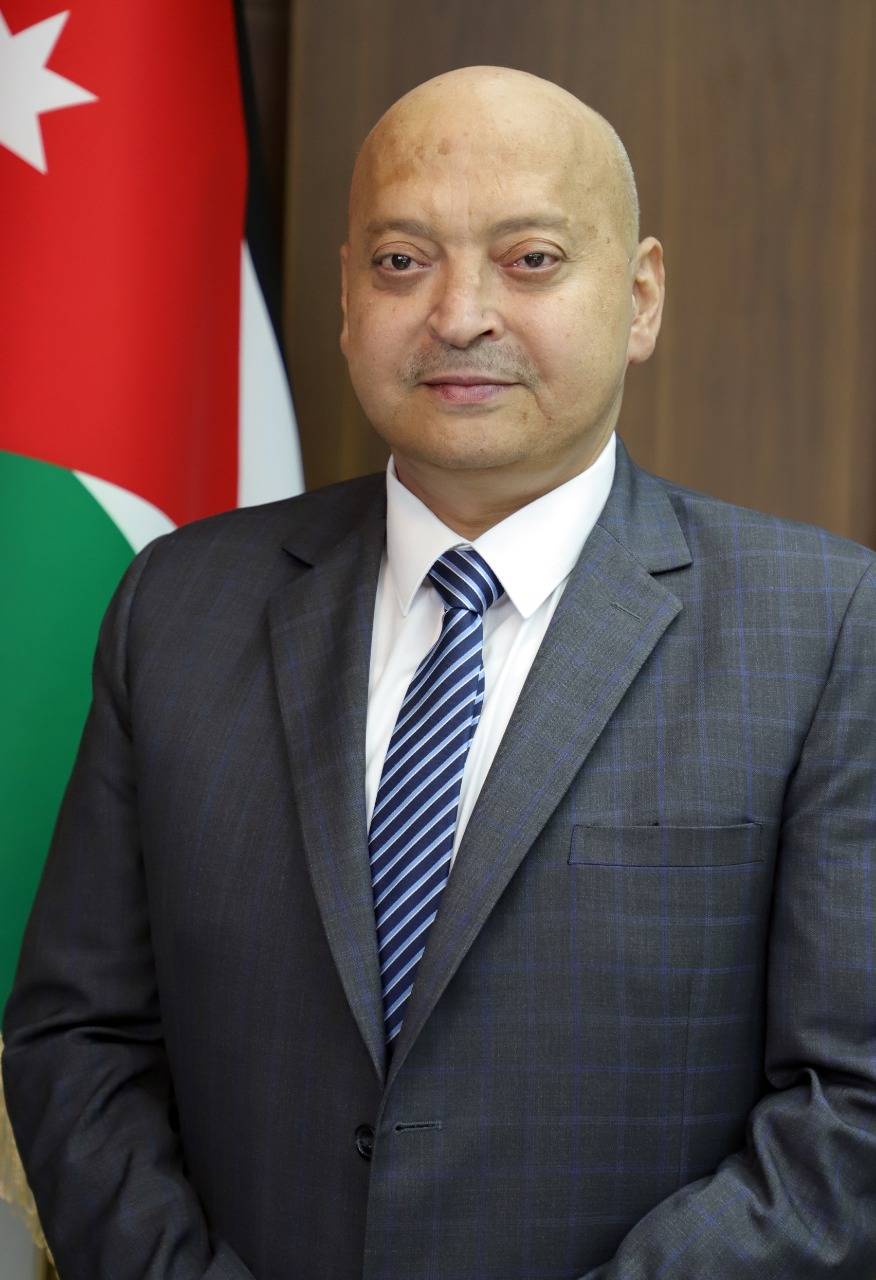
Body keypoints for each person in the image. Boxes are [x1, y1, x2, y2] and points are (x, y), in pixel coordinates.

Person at [3, 64, 875, 1280]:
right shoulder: (179, 605)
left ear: (640, 298)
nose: (460, 314)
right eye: (403, 260)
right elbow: (78, 1035)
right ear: (347, 296)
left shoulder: (825, 626)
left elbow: (853, 1105)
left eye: (530, 260)